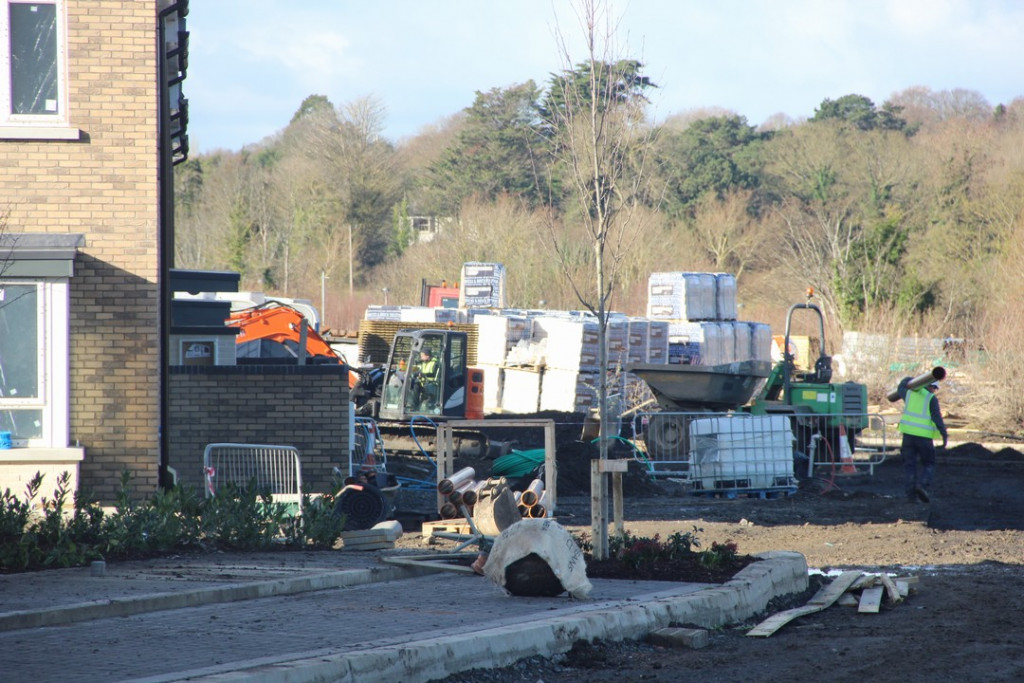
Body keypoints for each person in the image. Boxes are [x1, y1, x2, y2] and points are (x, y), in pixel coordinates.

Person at [896, 378, 948, 503]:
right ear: (931, 386)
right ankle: (922, 485)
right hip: (924, 437)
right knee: (929, 463)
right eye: (935, 388)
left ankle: (911, 496)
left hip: (908, 436)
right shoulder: (931, 399)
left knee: (910, 466)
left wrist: (912, 379)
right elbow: (937, 418)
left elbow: (901, 386)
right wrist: (944, 434)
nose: (934, 391)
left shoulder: (909, 394)